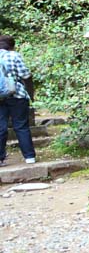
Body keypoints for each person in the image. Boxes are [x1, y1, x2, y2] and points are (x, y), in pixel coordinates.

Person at [0, 35, 36, 165]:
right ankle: (29, 157)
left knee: (1, 127)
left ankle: (0, 158)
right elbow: (25, 75)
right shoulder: (14, 56)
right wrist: (31, 95)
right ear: (11, 46)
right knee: (21, 126)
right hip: (17, 95)